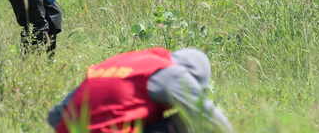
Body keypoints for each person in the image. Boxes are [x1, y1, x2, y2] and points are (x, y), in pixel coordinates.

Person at [48, 47, 234, 133]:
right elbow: (212, 119)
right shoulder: (169, 73)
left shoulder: (122, 64)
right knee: (186, 121)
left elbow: (55, 116)